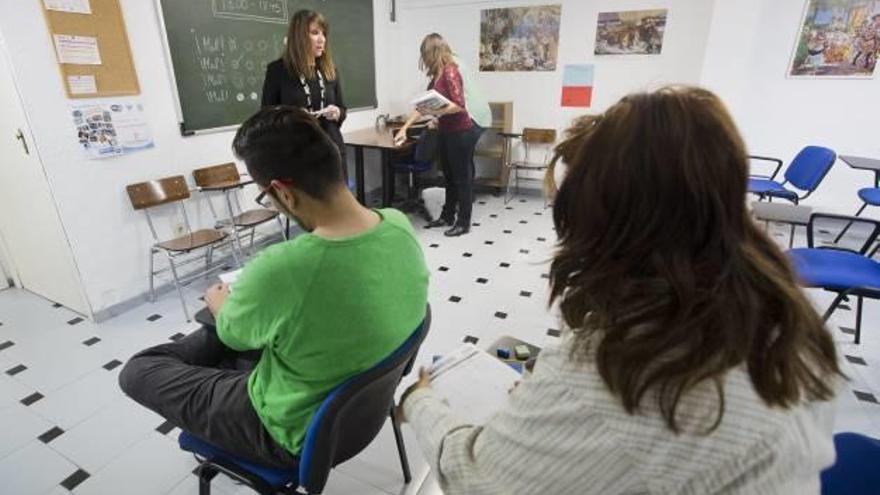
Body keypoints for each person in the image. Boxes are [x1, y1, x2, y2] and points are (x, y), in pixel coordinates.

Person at [398, 87, 842, 494]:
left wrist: (419, 402)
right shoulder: (786, 314)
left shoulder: (613, 373)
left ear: (600, 223)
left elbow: (476, 479)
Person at [119, 106, 429, 468]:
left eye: (267, 196)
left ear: (283, 192)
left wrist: (221, 305)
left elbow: (234, 336)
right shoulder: (396, 223)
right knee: (245, 342)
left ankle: (226, 418)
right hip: (361, 415)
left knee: (141, 368)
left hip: (289, 431)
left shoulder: (283, 267)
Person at [395, 34, 483, 237]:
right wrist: (404, 127)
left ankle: (463, 222)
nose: (423, 60)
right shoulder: (436, 75)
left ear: (433, 52)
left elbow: (459, 106)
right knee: (449, 178)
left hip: (461, 132)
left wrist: (438, 111)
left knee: (462, 179)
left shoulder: (451, 72)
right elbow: (422, 107)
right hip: (446, 132)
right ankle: (447, 216)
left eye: (425, 55)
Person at [262, 10, 348, 179]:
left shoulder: (330, 70)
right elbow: (266, 118)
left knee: (335, 204)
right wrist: (293, 117)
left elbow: (342, 108)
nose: (322, 39)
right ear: (299, 36)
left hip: (331, 151)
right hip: (297, 155)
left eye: (323, 33)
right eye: (315, 33)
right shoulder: (278, 71)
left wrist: (337, 112)